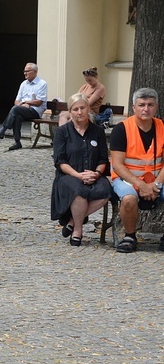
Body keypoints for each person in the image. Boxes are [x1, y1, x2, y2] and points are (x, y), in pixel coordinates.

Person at [51, 93, 112, 246]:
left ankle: (71, 222)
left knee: (106, 190)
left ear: (88, 108)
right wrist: (78, 175)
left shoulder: (97, 131)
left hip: (93, 174)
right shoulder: (62, 132)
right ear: (70, 112)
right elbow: (60, 162)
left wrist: (96, 173)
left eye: (82, 108)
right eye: (75, 109)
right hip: (69, 175)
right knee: (79, 191)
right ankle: (78, 230)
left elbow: (103, 158)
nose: (79, 112)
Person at [109, 88, 164, 253]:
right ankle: (130, 236)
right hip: (126, 179)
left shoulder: (162, 127)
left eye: (150, 105)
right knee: (128, 198)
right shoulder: (122, 129)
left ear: (156, 107)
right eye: (141, 105)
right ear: (134, 107)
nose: (146, 109)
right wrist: (140, 185)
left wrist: (156, 184)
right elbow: (117, 165)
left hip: (156, 180)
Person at [0, 63, 48, 150]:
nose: (25, 73)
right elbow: (16, 101)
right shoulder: (23, 84)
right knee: (17, 115)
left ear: (35, 72)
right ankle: (17, 142)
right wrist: (22, 105)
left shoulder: (42, 83)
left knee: (16, 109)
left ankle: (2, 131)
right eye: (24, 71)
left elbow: (39, 102)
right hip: (23, 109)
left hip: (35, 111)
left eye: (27, 71)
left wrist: (26, 102)